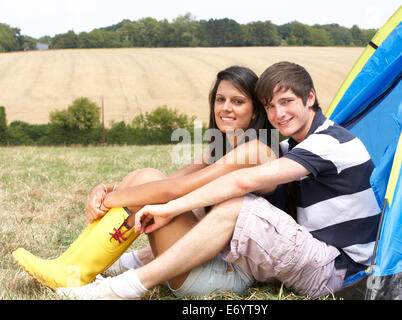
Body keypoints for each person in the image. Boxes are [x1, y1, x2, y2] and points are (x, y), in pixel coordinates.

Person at [57, 61, 381, 300]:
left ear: (310, 98)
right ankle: (87, 263)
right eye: (271, 105)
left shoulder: (324, 143)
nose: (278, 113)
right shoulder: (286, 146)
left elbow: (228, 186)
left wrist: (165, 207)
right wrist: (112, 189)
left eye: (287, 102)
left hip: (340, 272)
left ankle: (123, 286)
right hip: (289, 256)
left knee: (237, 204)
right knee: (150, 180)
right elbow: (173, 181)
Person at [12, 65, 278, 295]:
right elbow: (169, 180)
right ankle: (70, 266)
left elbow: (176, 188)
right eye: (220, 100)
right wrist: (105, 188)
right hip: (197, 257)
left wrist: (112, 199)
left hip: (224, 275)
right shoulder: (218, 149)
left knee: (149, 182)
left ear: (255, 111)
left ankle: (73, 271)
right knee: (145, 176)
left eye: (237, 101)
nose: (225, 108)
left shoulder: (257, 150)